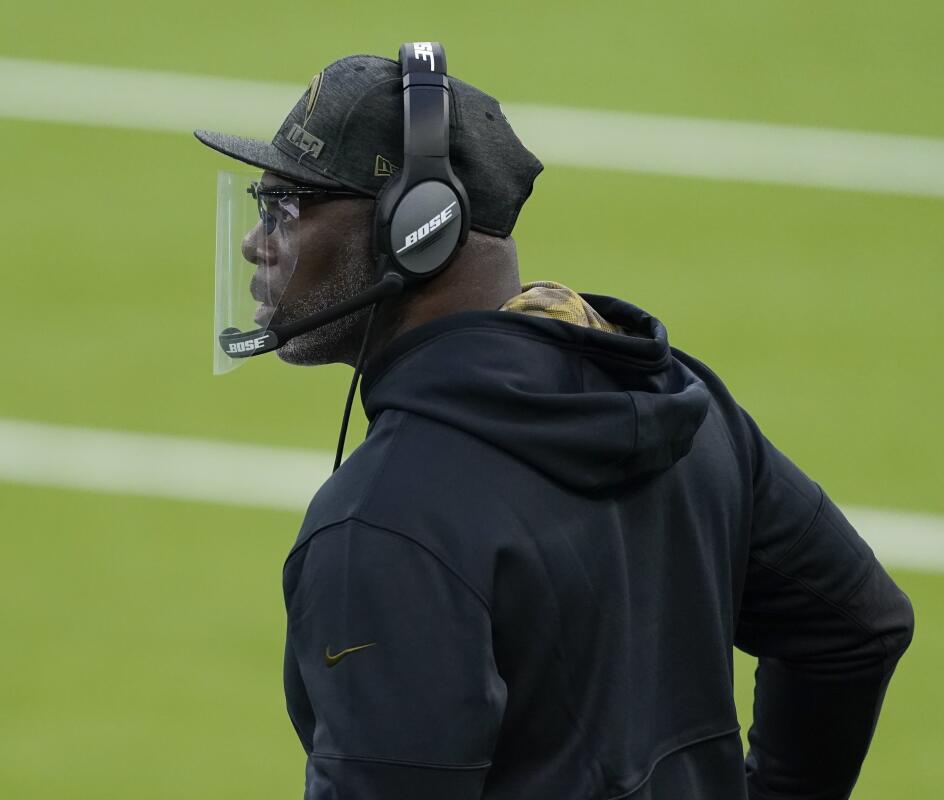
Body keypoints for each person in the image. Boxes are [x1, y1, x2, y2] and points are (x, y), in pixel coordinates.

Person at [194, 50, 914, 800]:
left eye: (288, 206)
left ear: (418, 229)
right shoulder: (683, 402)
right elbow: (856, 627)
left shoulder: (380, 526)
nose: (256, 241)